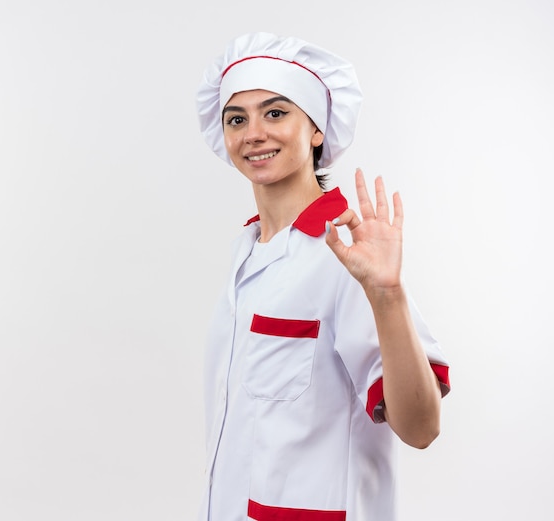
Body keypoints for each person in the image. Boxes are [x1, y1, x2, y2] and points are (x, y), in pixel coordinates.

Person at [195, 32, 450, 521]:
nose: (253, 133)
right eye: (236, 118)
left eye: (275, 112)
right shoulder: (247, 252)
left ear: (316, 129)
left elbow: (420, 427)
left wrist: (387, 295)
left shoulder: (344, 255)